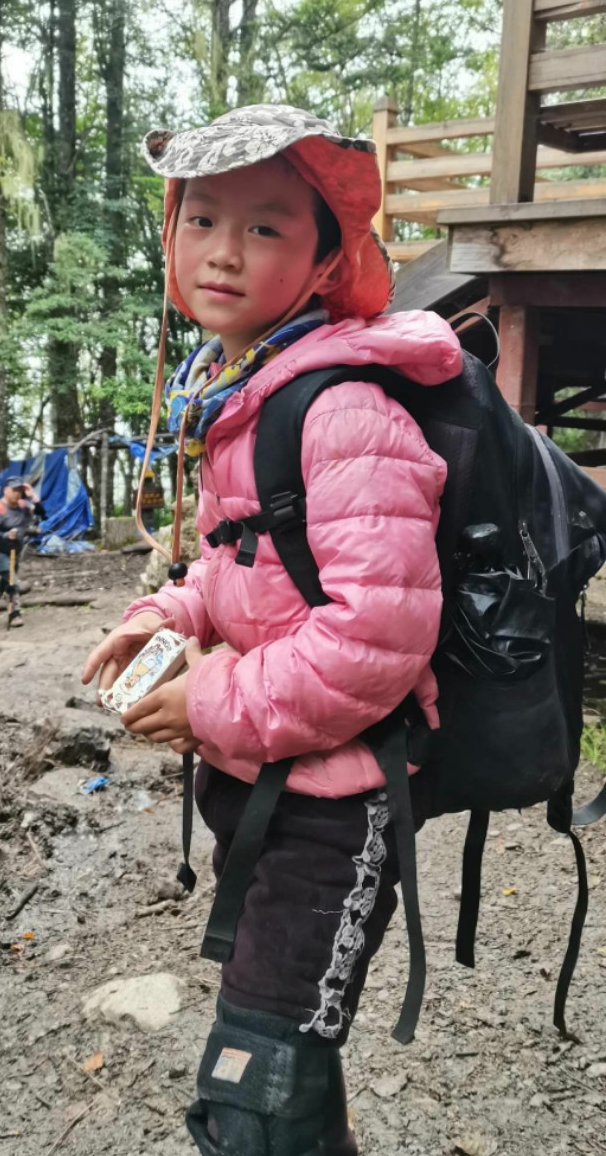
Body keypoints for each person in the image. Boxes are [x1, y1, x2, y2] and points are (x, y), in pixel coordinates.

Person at [82, 104, 462, 1155]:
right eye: (201, 217)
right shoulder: (246, 390)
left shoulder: (341, 407)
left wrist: (210, 698)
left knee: (255, 1087)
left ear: (324, 257)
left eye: (264, 226)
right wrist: (167, 612)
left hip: (337, 811)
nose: (222, 250)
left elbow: (377, 638)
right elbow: (248, 562)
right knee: (280, 1070)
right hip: (267, 789)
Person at [0, 477, 43, 629]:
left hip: (13, 550)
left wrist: (33, 496)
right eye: (14, 490)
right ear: (6, 490)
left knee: (5, 582)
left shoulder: (24, 506)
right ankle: (14, 614)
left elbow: (42, 513)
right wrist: (5, 535)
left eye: (20, 491)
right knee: (11, 580)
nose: (17, 494)